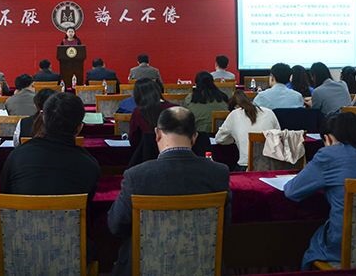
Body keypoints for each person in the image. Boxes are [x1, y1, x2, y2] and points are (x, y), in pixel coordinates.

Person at [107, 107, 231, 276]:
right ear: (194, 137)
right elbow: (223, 224)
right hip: (202, 265)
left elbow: (115, 225)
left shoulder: (137, 176)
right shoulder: (219, 173)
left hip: (146, 266)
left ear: (158, 134)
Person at [284, 112, 356, 268]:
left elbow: (292, 191)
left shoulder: (328, 155)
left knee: (307, 241)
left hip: (346, 243)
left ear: (328, 138)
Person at [0, 92, 100, 198]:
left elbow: (4, 195)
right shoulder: (90, 165)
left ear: (43, 119)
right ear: (79, 128)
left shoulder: (17, 156)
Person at [216, 90, 280, 170]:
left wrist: (235, 138)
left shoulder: (234, 114)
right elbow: (279, 137)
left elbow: (219, 139)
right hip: (271, 165)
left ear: (235, 107)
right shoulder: (269, 112)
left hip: (246, 166)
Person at [128, 78, 174, 148]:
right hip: (171, 151)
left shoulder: (137, 112)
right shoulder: (174, 109)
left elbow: (133, 140)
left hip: (146, 152)